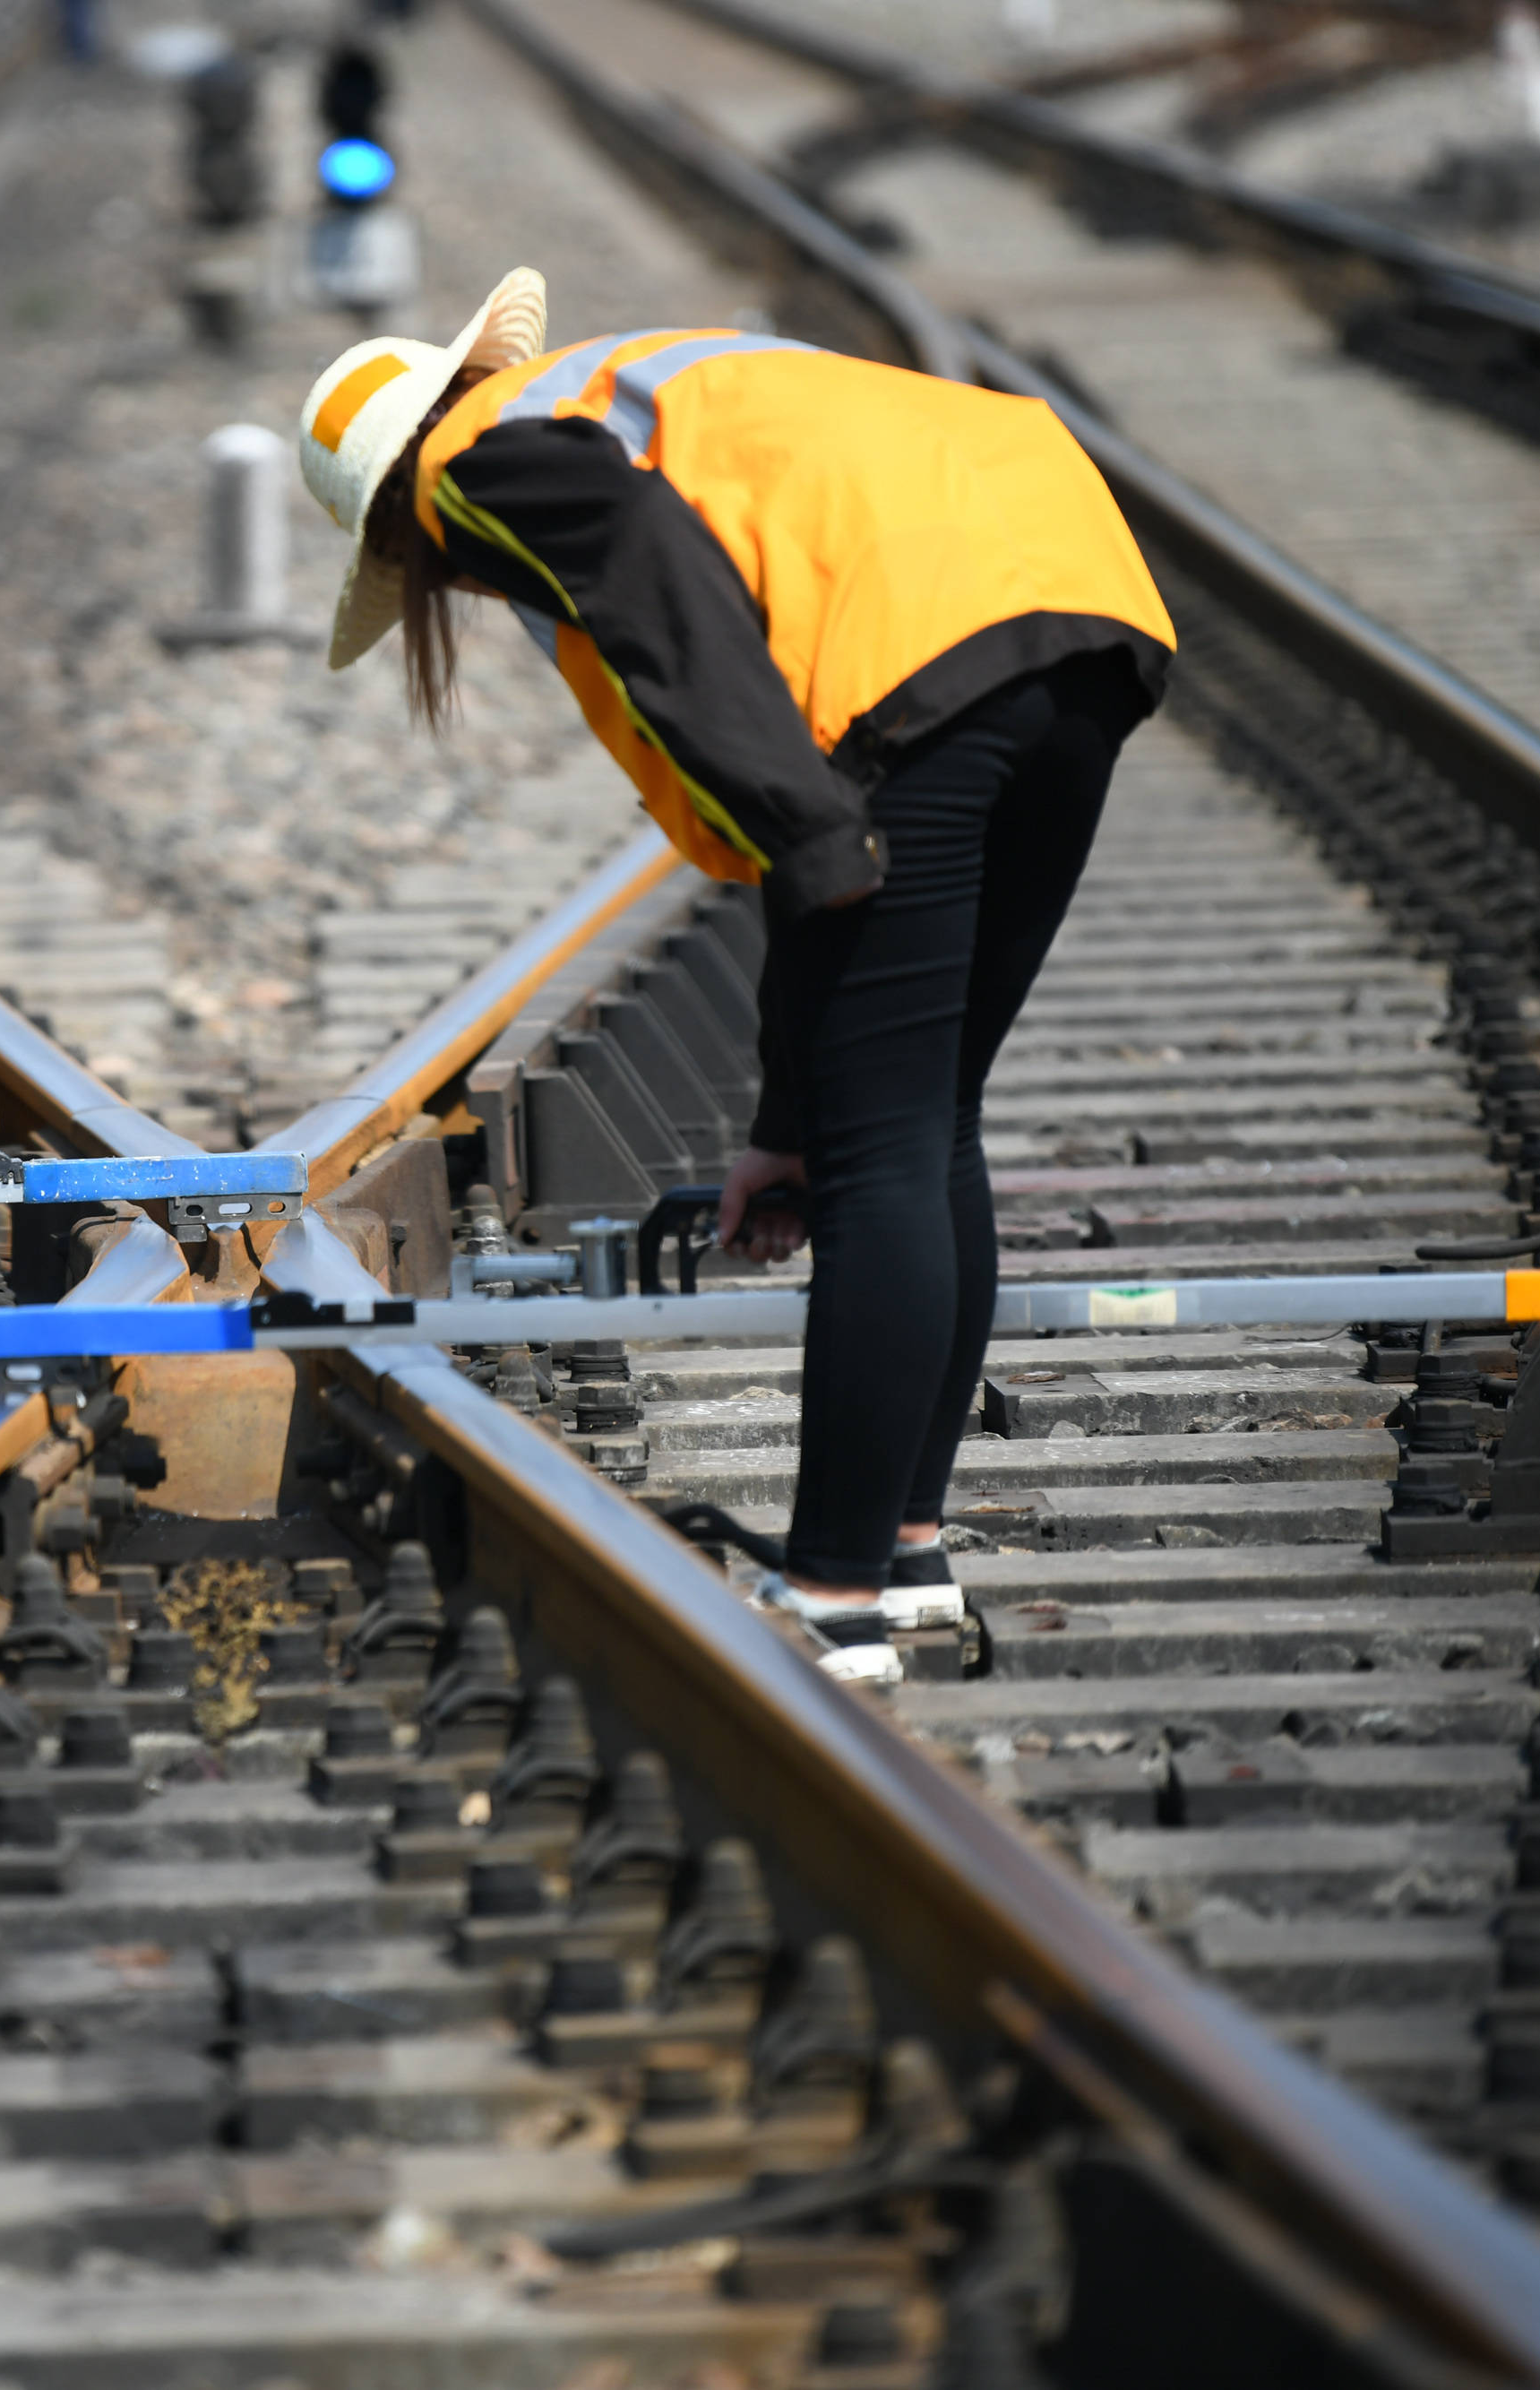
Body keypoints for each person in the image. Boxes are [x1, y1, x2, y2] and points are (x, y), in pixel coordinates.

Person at [294, 269, 1173, 1640]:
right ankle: (907, 1554)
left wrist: (809, 830)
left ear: (397, 517)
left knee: (890, 1150)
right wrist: (783, 1113)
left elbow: (662, 590)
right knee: (928, 1123)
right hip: (1077, 605)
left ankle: (831, 1596)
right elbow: (796, 711)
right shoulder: (623, 391)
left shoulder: (481, 463)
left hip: (923, 657)